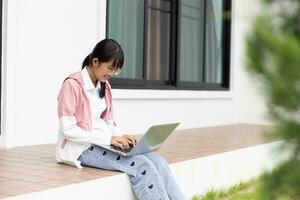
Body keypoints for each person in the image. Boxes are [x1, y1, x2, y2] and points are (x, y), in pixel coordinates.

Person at [56, 38, 185, 200]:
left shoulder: (104, 85)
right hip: (82, 148)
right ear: (95, 61)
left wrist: (122, 135)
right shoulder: (72, 85)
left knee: (158, 161)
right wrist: (109, 138)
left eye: (116, 70)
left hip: (104, 142)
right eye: (110, 68)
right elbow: (67, 129)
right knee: (143, 166)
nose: (112, 74)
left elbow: (107, 122)